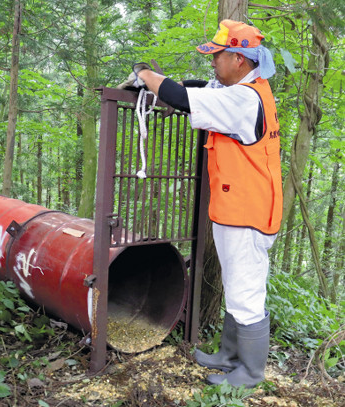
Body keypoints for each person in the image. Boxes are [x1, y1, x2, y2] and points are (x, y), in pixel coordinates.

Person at [121, 20, 283, 388]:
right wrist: (160, 83)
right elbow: (194, 89)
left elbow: (182, 98)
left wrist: (144, 74)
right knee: (237, 285)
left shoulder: (243, 99)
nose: (213, 63)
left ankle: (251, 372)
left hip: (249, 213)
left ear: (240, 59)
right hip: (238, 208)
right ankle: (229, 356)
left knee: (246, 292)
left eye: (218, 56)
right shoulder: (245, 87)